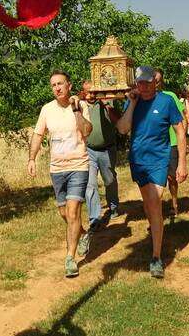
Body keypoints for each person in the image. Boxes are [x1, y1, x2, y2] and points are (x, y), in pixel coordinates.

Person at [117, 66, 187, 278]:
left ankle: (156, 257)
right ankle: (156, 231)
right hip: (138, 161)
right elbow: (122, 129)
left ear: (155, 82)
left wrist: (182, 162)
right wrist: (132, 104)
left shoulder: (166, 101)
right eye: (140, 83)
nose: (144, 87)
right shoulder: (133, 101)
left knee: (155, 202)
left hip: (159, 160)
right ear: (136, 83)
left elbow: (180, 130)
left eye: (148, 83)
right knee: (148, 204)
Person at [28, 70, 93, 278]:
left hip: (78, 165)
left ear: (69, 85)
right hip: (57, 168)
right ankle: (82, 234)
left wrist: (76, 111)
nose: (57, 88)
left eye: (60, 84)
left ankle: (70, 258)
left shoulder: (80, 106)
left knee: (73, 212)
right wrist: (32, 158)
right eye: (53, 85)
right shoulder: (46, 110)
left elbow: (87, 131)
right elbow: (38, 134)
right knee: (64, 213)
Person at [82, 80, 121, 228]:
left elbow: (118, 120)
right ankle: (94, 218)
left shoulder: (106, 102)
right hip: (89, 150)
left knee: (109, 180)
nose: (91, 95)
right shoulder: (81, 107)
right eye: (87, 92)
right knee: (90, 184)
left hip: (107, 149)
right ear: (83, 93)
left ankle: (113, 206)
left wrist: (107, 105)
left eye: (93, 92)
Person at [153, 69, 187, 218]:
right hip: (155, 145)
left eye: (159, 80)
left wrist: (183, 134)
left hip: (172, 142)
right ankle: (156, 207)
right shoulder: (145, 99)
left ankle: (174, 203)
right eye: (154, 80)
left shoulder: (170, 96)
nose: (156, 83)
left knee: (172, 177)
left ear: (162, 81)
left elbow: (182, 117)